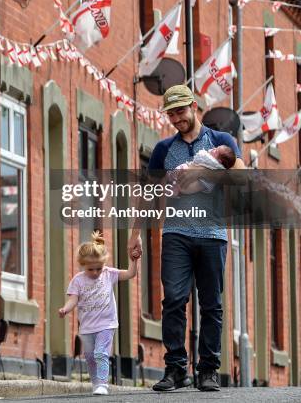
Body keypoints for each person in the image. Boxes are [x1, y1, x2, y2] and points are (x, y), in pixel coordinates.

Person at [127, 85, 245, 393]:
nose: (176, 118)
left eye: (181, 111)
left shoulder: (222, 141)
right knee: (174, 300)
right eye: (171, 113)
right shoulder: (164, 149)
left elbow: (242, 176)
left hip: (212, 233)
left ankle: (208, 370)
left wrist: (206, 173)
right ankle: (176, 369)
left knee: (212, 304)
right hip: (176, 232)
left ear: (194, 107)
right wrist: (135, 233)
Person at [59, 231, 139, 396]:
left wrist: (134, 261)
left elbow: (130, 274)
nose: (95, 272)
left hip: (106, 324)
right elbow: (73, 299)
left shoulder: (108, 274)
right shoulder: (78, 280)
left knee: (101, 352)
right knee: (89, 356)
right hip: (87, 327)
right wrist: (66, 309)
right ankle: (96, 382)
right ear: (82, 265)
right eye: (91, 269)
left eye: (98, 268)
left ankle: (103, 383)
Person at [168, 144, 236, 196]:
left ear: (219, 161)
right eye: (216, 148)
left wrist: (200, 171)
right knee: (182, 171)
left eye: (216, 151)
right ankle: (174, 184)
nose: (214, 148)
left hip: (203, 182)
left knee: (187, 184)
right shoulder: (209, 158)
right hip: (191, 176)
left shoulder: (216, 166)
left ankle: (176, 189)